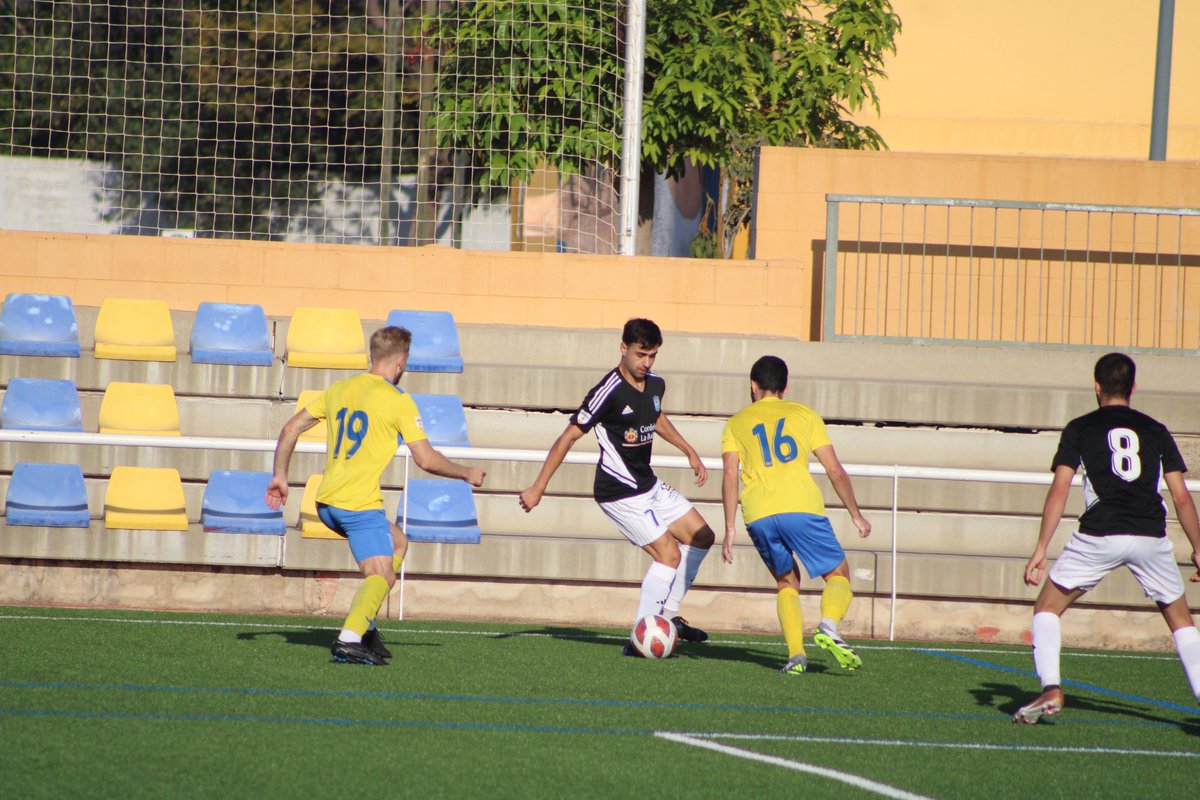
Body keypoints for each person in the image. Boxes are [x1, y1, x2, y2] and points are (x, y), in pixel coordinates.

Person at [266, 326, 486, 666]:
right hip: (357, 505)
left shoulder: (341, 389)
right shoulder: (398, 401)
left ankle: (365, 626)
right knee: (380, 575)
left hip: (326, 502)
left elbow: (290, 427)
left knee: (398, 544)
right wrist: (466, 473)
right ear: (400, 362)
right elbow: (425, 459)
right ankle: (349, 639)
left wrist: (280, 476)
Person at [1014, 352, 1200, 722]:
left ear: (1096, 387)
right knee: (1182, 622)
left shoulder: (1080, 427)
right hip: (1150, 532)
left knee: (1047, 609)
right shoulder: (1155, 429)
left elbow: (1060, 488)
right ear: (1133, 388)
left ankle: (1051, 687)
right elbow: (1180, 495)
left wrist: (1040, 548)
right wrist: (1198, 547)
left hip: (1101, 532)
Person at [518, 318, 715, 654]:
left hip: (647, 484)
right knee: (668, 554)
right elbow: (568, 436)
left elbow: (655, 415)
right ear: (623, 348)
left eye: (653, 356)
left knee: (702, 536)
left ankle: (669, 616)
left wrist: (689, 450)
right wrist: (538, 486)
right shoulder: (606, 391)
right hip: (618, 491)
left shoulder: (654, 384)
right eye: (641, 355)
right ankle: (641, 637)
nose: (647, 363)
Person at [720, 355, 871, 675]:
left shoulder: (735, 422)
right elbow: (835, 471)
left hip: (758, 513)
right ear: (785, 387)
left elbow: (730, 475)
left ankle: (795, 656)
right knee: (838, 574)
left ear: (753, 385)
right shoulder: (805, 414)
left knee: (786, 581)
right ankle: (829, 625)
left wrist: (729, 528)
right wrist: (856, 514)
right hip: (800, 507)